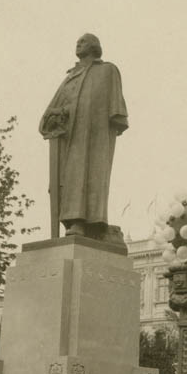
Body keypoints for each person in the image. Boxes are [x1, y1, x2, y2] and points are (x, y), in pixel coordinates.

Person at [39, 33, 128, 239]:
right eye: (77, 42)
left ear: (95, 46)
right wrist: (55, 117)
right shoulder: (70, 78)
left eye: (83, 41)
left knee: (94, 175)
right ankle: (74, 220)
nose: (78, 44)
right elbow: (49, 114)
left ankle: (93, 224)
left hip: (96, 136)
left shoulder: (108, 70)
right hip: (71, 140)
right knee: (71, 178)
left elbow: (117, 110)